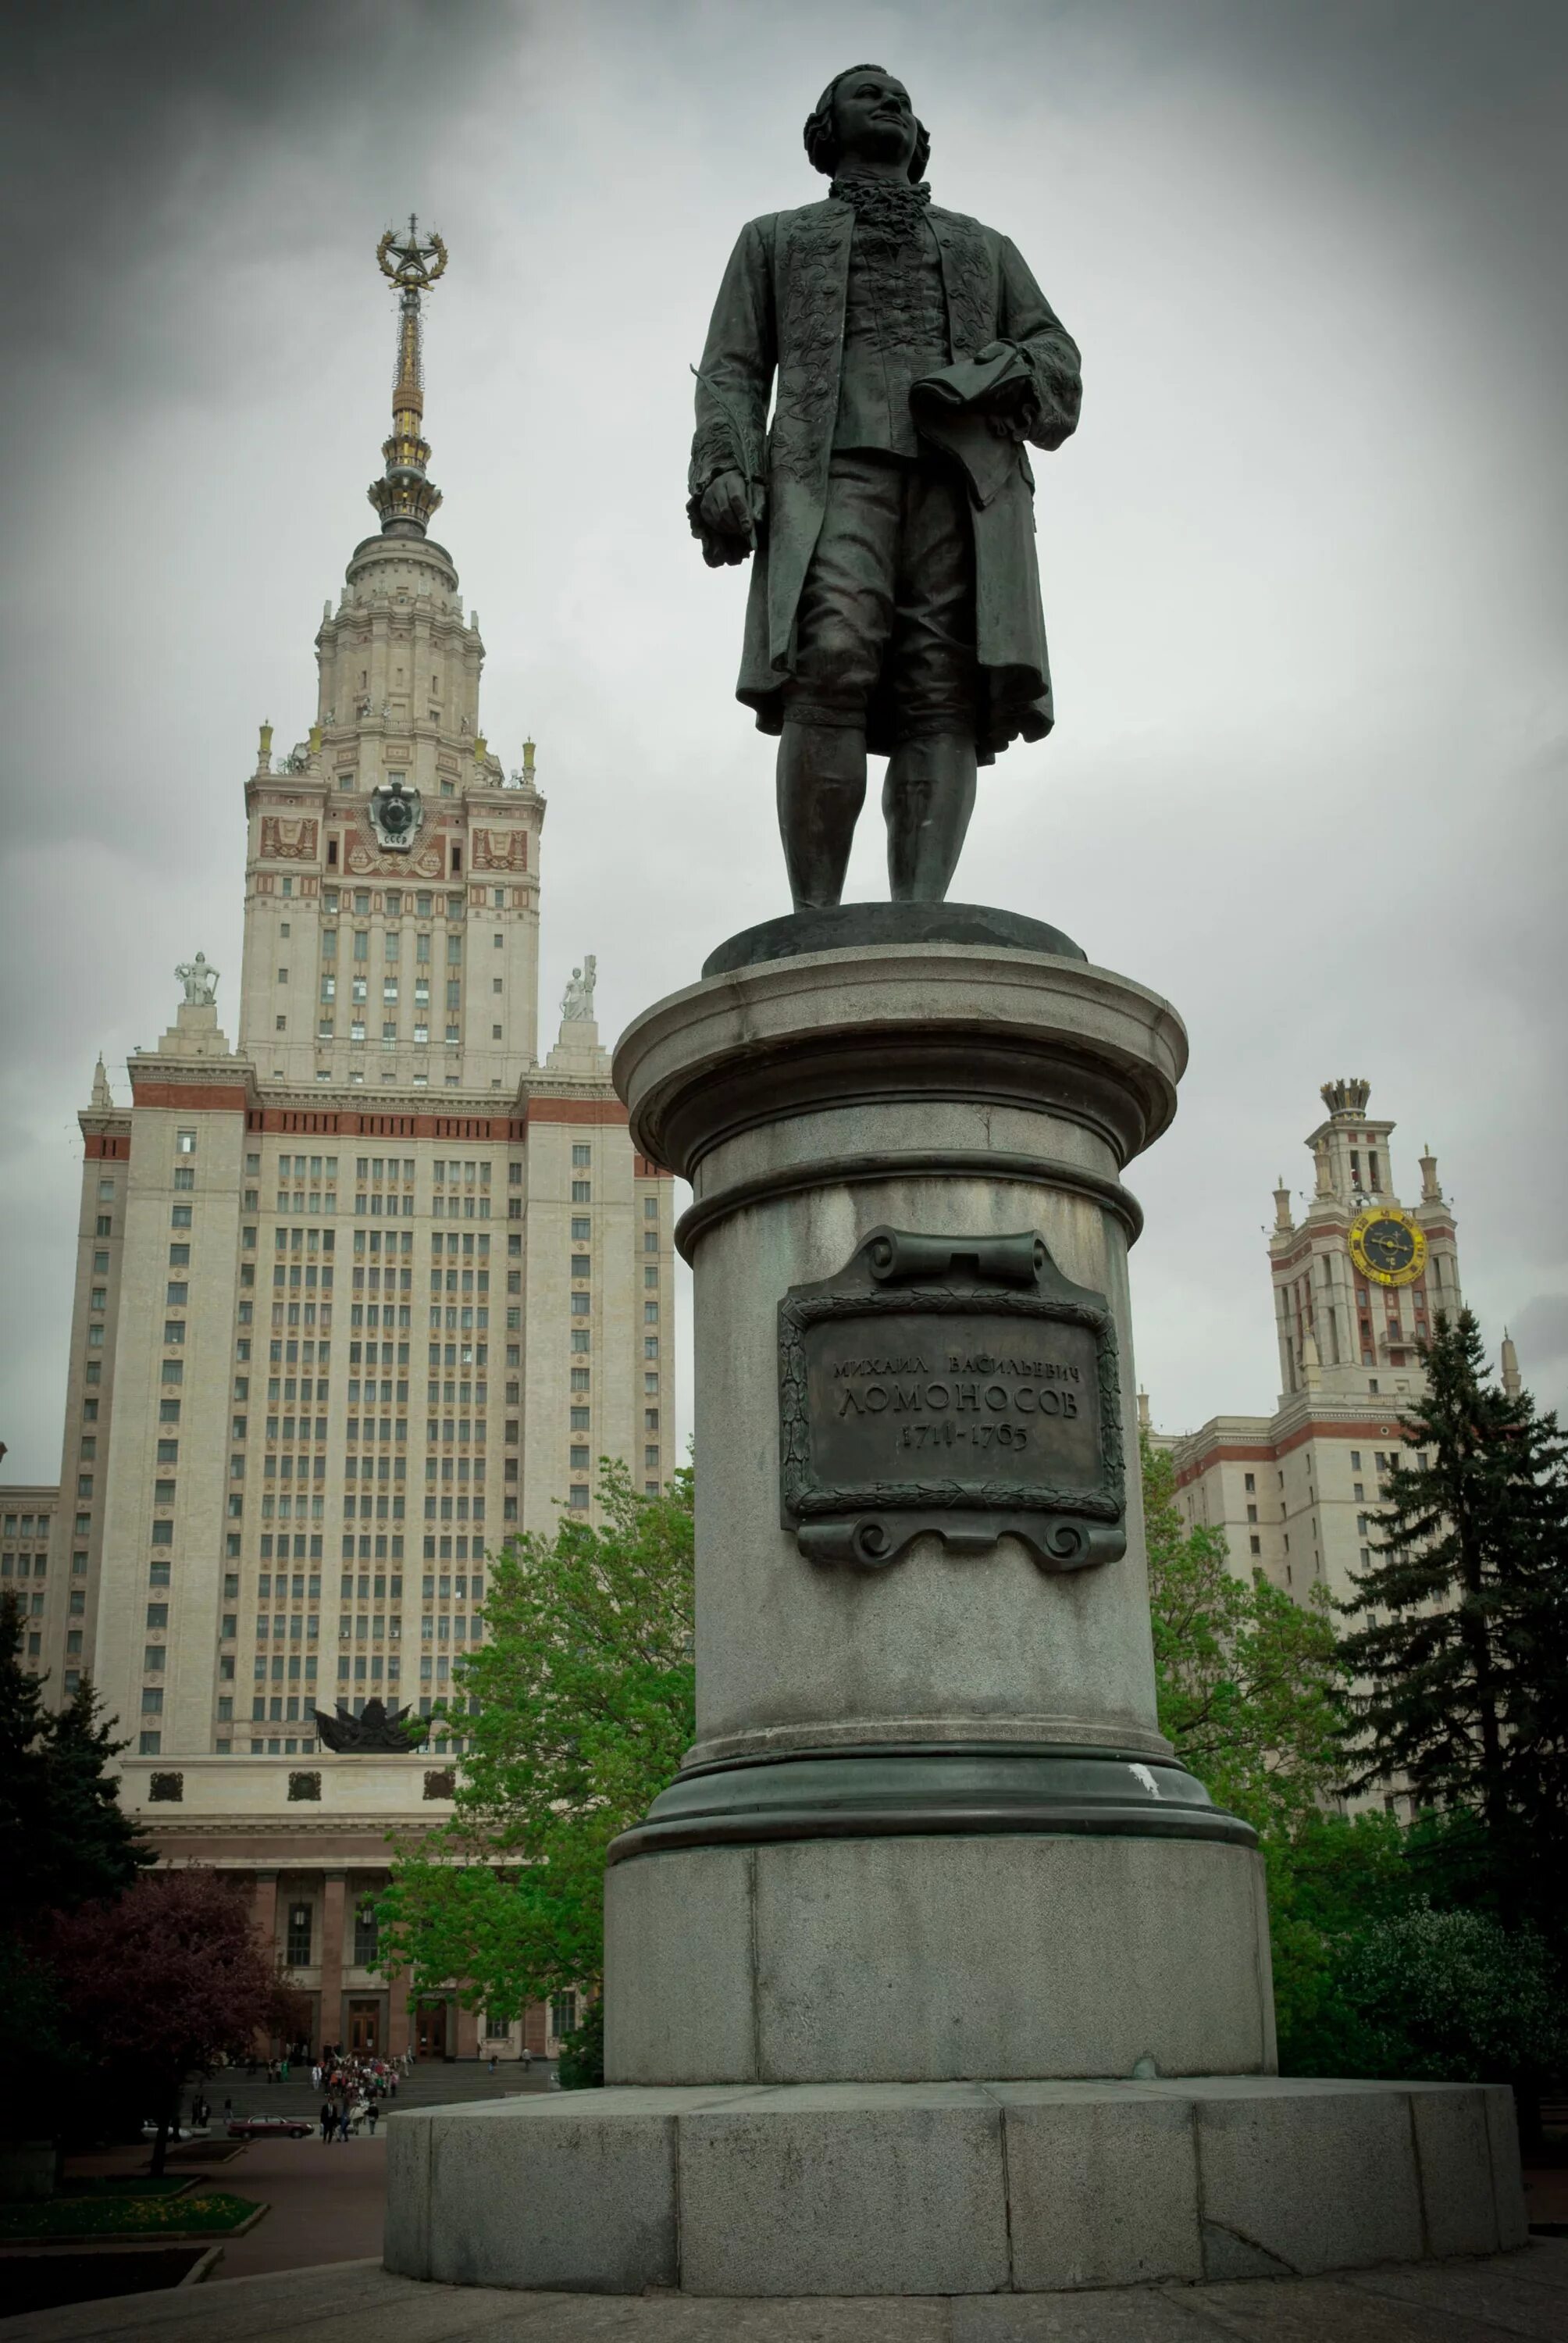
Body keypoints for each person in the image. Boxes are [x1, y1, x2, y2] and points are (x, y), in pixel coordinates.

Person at [690, 62, 1081, 910]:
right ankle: (815, 923)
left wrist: (996, 370)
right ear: (824, 131)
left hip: (961, 485)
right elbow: (733, 367)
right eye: (866, 93)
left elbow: (1057, 365)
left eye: (901, 97)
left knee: (942, 687)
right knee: (829, 661)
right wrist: (724, 465)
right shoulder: (776, 239)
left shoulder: (985, 247)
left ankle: (920, 919)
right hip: (831, 476)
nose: (891, 102)